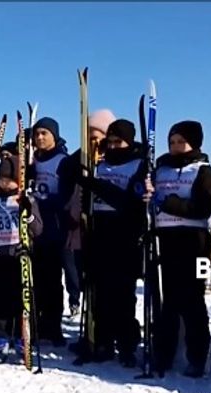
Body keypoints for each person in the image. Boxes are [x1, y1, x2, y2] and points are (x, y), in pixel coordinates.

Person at [146, 121, 211, 377]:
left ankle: (197, 355)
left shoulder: (204, 171)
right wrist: (144, 193)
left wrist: (166, 202)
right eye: (172, 142)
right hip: (164, 239)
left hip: (192, 241)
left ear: (194, 143)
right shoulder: (160, 169)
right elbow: (147, 195)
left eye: (181, 142)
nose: (176, 147)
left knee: (191, 301)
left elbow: (201, 208)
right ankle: (163, 353)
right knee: (167, 302)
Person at [74, 119, 146, 366]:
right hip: (99, 233)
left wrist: (96, 185)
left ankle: (126, 345)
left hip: (124, 235)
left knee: (123, 295)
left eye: (119, 142)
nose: (114, 146)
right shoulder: (100, 164)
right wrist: (87, 194)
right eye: (111, 141)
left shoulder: (139, 165)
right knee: (100, 293)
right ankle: (102, 340)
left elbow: (129, 202)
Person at [0, 155, 42, 363]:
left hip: (19, 255)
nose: (5, 183)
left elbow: (38, 229)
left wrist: (28, 213)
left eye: (9, 180)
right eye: (2, 179)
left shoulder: (26, 199)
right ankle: (1, 340)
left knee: (22, 299)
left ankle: (22, 338)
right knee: (0, 300)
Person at [29, 117, 80, 346]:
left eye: (45, 133)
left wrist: (42, 201)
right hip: (34, 227)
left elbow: (66, 196)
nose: (40, 137)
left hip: (54, 226)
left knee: (52, 280)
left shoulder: (62, 161)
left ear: (54, 136)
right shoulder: (33, 161)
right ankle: (38, 324)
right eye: (37, 134)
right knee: (37, 279)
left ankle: (53, 326)